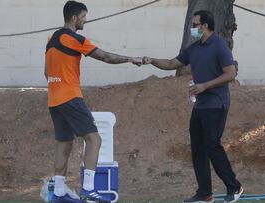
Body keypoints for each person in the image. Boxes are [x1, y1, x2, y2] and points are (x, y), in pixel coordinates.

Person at [44, 1, 142, 202]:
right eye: (83, 17)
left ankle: (59, 192)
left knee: (64, 144)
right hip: (70, 97)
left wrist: (58, 83)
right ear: (74, 18)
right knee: (94, 139)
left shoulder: (51, 39)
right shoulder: (74, 38)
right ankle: (88, 188)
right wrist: (130, 59)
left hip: (54, 99)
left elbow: (46, 72)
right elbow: (104, 57)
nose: (85, 20)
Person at [143, 10, 243, 203]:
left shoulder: (219, 46)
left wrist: (204, 86)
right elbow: (172, 63)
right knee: (198, 148)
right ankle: (205, 193)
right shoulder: (194, 48)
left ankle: (235, 186)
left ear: (205, 26)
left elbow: (231, 74)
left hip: (217, 103)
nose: (192, 28)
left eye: (195, 25)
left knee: (212, 145)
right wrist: (151, 60)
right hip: (201, 106)